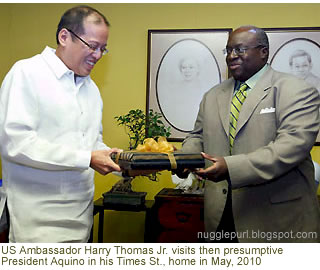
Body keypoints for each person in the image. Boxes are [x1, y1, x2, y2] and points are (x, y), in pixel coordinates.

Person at [180, 25, 320, 242]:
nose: (231, 56)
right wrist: (183, 158)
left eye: (240, 49)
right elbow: (197, 136)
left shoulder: (296, 90)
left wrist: (230, 167)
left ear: (264, 51)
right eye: (228, 50)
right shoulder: (213, 95)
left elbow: (292, 146)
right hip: (220, 217)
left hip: (275, 221)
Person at [0, 5, 122, 242]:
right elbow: (15, 143)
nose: (97, 55)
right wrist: (87, 158)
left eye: (103, 49)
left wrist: (123, 164)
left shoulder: (91, 89)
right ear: (64, 37)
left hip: (81, 220)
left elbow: (92, 144)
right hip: (35, 225)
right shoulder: (26, 73)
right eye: (92, 46)